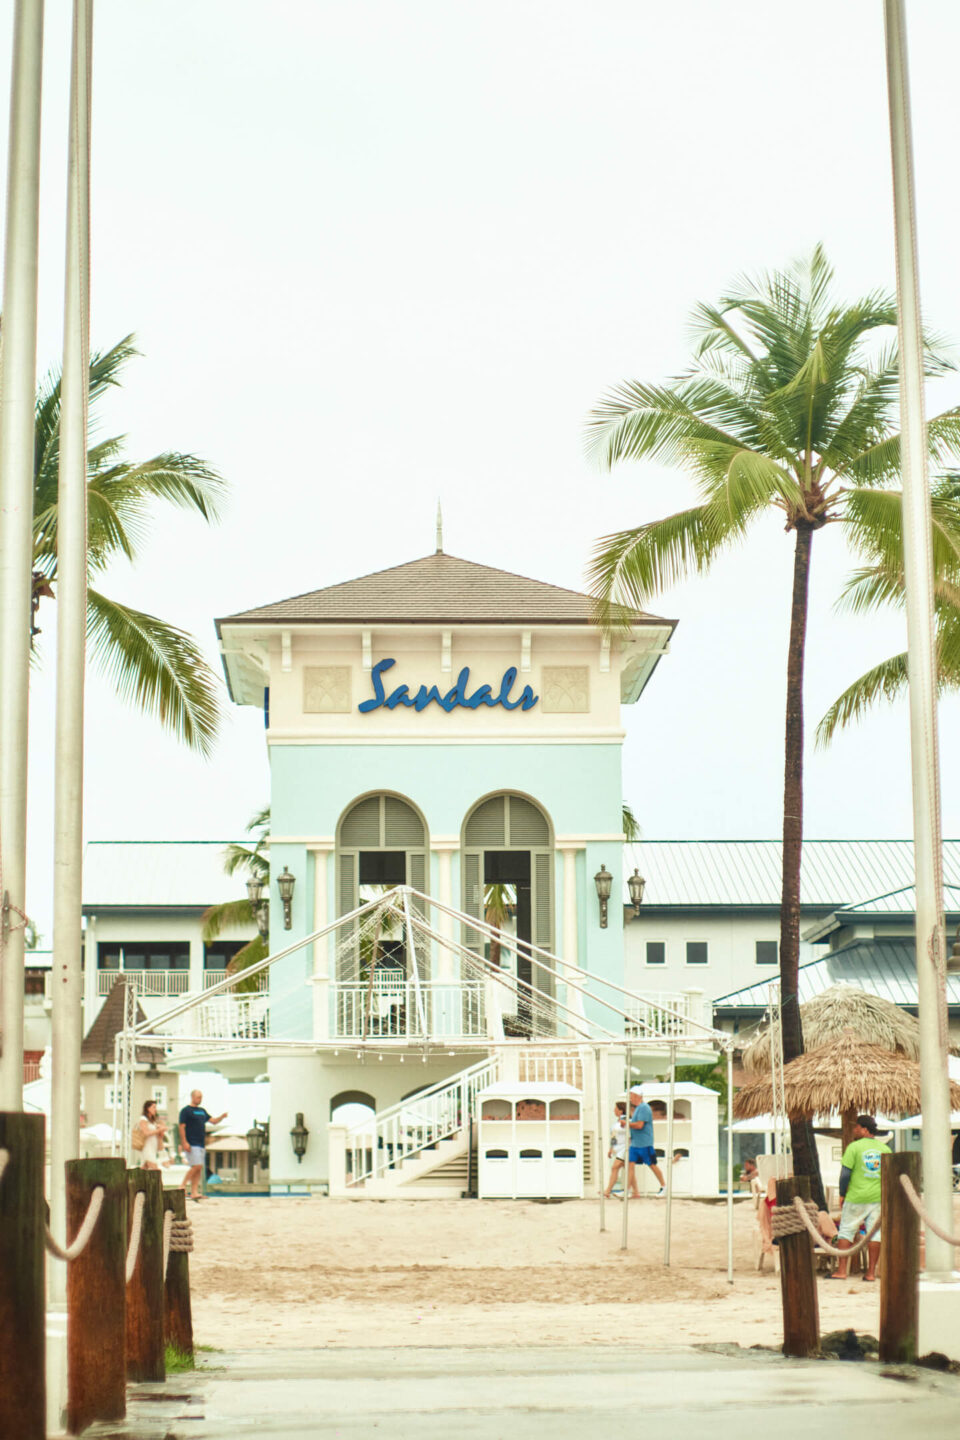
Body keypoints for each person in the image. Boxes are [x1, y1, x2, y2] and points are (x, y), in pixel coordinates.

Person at [830, 1114, 890, 1282]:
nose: (854, 1130)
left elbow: (845, 1174)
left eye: (856, 1127)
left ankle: (842, 1271)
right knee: (875, 1233)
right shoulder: (885, 1149)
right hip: (878, 1197)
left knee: (846, 1230)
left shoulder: (854, 1148)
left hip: (856, 1196)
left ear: (864, 1129)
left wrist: (842, 1193)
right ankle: (870, 1273)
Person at [178, 1089, 227, 1201]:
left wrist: (221, 1117)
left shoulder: (202, 1111)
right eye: (198, 1097)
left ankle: (194, 1192)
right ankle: (182, 1186)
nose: (200, 1099)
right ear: (193, 1097)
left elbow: (213, 1121)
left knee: (199, 1169)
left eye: (201, 1097)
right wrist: (184, 1142)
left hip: (201, 1143)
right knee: (197, 1165)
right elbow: (181, 1127)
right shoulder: (186, 1111)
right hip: (191, 1142)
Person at [627, 1083, 666, 1197]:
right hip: (636, 1143)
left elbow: (639, 1125)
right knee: (631, 1165)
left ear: (637, 1096)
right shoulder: (638, 1108)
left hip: (644, 1143)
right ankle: (628, 1190)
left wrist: (627, 1124)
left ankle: (664, 1186)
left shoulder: (644, 1108)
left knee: (652, 1165)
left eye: (631, 1096)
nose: (630, 1098)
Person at [603, 1101, 639, 1200]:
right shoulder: (616, 1123)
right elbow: (614, 1136)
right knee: (629, 1170)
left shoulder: (628, 1120)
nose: (614, 1110)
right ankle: (636, 1192)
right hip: (618, 1148)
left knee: (615, 1167)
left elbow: (632, 1134)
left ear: (620, 1110)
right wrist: (611, 1149)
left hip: (626, 1148)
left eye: (615, 1109)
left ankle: (607, 1191)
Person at [137, 1099, 166, 1171]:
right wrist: (158, 1130)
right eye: (153, 1107)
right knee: (155, 1169)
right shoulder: (143, 1119)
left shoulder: (153, 1121)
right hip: (146, 1147)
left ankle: (137, 1181)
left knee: (144, 1169)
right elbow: (146, 1132)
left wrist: (161, 1130)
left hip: (153, 1147)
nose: (155, 1110)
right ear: (148, 1108)